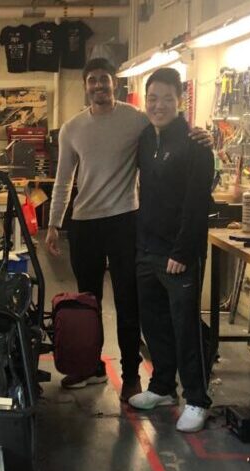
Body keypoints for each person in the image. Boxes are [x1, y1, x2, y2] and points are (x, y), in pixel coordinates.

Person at [46, 57, 210, 402]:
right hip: (85, 223)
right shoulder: (71, 129)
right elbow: (63, 182)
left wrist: (199, 133)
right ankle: (90, 368)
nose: (99, 86)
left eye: (104, 80)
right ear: (86, 86)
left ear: (114, 84)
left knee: (128, 302)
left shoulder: (136, 121)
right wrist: (53, 223)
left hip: (124, 221)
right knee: (87, 301)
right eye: (92, 81)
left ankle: (131, 374)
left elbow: (169, 126)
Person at [128, 68, 214, 433]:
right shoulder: (146, 139)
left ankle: (197, 398)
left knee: (185, 327)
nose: (158, 105)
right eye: (152, 98)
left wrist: (182, 251)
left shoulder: (197, 145)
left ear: (180, 100)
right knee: (156, 325)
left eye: (166, 98)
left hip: (179, 254)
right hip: (146, 249)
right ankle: (163, 387)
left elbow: (196, 205)